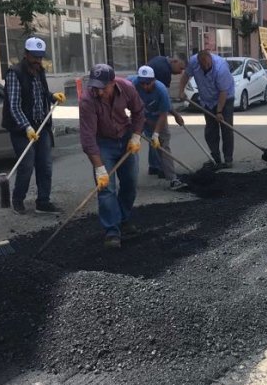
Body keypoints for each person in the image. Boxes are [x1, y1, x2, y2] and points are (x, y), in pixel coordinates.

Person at [79, 63, 146, 248]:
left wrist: (136, 135)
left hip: (125, 139)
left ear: (112, 82)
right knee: (106, 189)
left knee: (130, 183)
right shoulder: (87, 100)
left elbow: (139, 111)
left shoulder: (126, 88)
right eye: (95, 87)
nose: (98, 92)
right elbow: (88, 138)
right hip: (103, 144)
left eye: (102, 88)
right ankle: (112, 231)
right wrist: (100, 168)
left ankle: (123, 219)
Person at [1, 37, 66, 215]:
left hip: (41, 126)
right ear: (26, 54)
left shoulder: (40, 71)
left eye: (40, 57)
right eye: (34, 56)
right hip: (22, 129)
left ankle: (43, 202)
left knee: (45, 165)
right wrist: (27, 127)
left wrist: (53, 97)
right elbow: (13, 105)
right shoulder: (15, 73)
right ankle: (17, 199)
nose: (38, 60)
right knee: (27, 165)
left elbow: (42, 93)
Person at [128, 65, 186, 191]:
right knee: (130, 145)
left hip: (157, 117)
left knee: (163, 144)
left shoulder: (161, 90)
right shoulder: (132, 84)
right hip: (139, 116)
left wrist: (155, 135)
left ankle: (172, 179)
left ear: (153, 80)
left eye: (147, 83)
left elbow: (163, 114)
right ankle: (129, 180)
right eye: (142, 83)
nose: (144, 86)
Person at [178, 50, 235, 169]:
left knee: (226, 128)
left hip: (225, 98)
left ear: (211, 59)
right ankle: (216, 158)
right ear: (198, 62)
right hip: (207, 100)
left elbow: (223, 92)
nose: (206, 67)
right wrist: (181, 91)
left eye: (208, 65)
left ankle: (228, 159)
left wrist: (219, 111)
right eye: (203, 65)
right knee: (210, 130)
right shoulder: (194, 62)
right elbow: (185, 76)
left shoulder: (221, 68)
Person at [145, 54, 187, 176]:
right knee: (162, 137)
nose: (181, 72)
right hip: (153, 108)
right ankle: (163, 169)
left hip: (146, 105)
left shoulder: (159, 60)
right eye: (181, 68)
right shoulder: (164, 71)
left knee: (153, 137)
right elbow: (165, 100)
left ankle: (154, 166)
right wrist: (175, 114)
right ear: (175, 61)